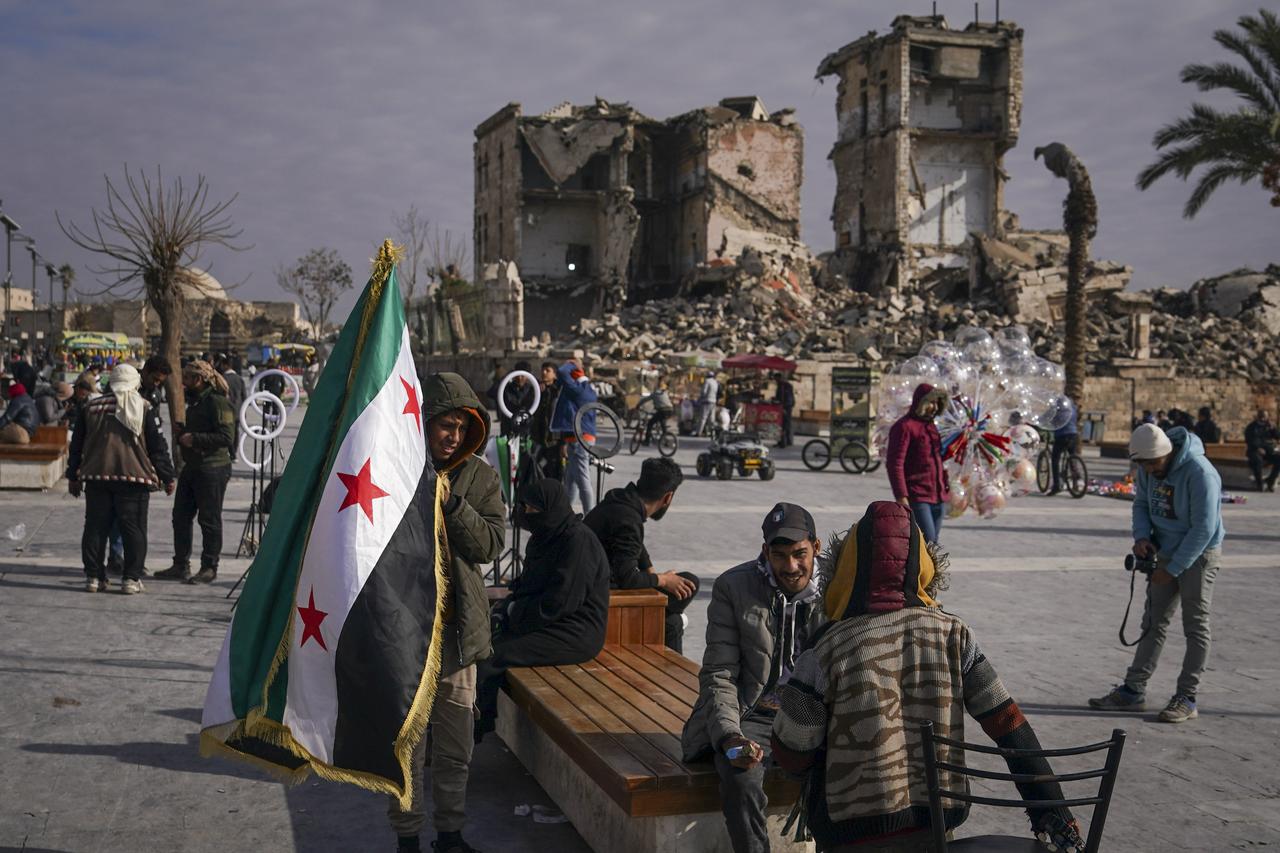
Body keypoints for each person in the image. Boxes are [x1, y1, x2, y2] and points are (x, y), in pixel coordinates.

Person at [770, 501, 1084, 853]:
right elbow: (1008, 724)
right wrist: (1053, 810)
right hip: (934, 828)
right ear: (924, 566)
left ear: (846, 567)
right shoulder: (954, 636)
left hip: (851, 833)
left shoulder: (828, 647)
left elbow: (793, 749)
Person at [388, 371, 505, 853]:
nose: (453, 436)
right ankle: (407, 837)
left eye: (462, 427)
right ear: (425, 423)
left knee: (456, 745)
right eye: (445, 425)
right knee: (407, 747)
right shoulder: (392, 469)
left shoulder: (480, 476)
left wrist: (451, 504)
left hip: (457, 635)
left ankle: (450, 834)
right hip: (404, 633)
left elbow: (490, 545)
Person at [680, 503, 826, 853]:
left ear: (816, 547)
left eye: (800, 554)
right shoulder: (734, 587)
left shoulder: (838, 588)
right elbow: (719, 673)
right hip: (753, 713)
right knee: (739, 775)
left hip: (817, 715)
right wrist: (730, 734)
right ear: (765, 552)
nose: (790, 567)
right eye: (779, 556)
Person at [1089, 423, 1226, 724]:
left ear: (1167, 452)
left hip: (1198, 555)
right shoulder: (1147, 469)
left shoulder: (1200, 473)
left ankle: (1187, 697)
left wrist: (1174, 568)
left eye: (1154, 463)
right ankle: (1133, 690)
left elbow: (1204, 529)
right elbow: (1141, 504)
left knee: (1195, 626)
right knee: (1152, 623)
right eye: (1144, 465)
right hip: (1163, 551)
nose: (1150, 470)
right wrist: (1141, 537)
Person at [474, 478, 610, 738]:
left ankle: (477, 729)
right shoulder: (546, 537)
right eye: (525, 508)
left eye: (533, 509)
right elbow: (529, 584)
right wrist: (507, 607)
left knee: (493, 655)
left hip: (575, 632)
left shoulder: (578, 543)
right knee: (480, 641)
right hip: (545, 621)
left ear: (551, 508)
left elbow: (559, 602)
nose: (527, 514)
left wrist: (514, 613)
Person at [67, 364, 176, 594]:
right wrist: (167, 476)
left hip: (97, 476)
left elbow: (76, 445)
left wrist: (73, 474)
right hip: (134, 479)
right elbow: (157, 447)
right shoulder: (144, 407)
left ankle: (94, 577)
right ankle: (131, 578)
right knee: (134, 529)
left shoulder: (91, 407)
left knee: (95, 528)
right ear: (135, 383)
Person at [584, 457, 698, 653]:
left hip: (593, 586)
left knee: (672, 620)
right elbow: (627, 578)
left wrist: (651, 571)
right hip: (600, 596)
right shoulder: (629, 520)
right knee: (686, 591)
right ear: (668, 497)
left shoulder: (619, 501)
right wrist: (663, 580)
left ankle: (661, 627)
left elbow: (635, 545)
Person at [154, 361, 235, 585]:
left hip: (212, 468)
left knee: (209, 519)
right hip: (193, 467)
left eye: (188, 379)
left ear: (199, 380)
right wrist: (184, 432)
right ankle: (180, 564)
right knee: (180, 516)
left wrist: (194, 438)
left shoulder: (217, 402)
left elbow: (226, 437)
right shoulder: (197, 402)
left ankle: (209, 567)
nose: (184, 383)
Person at [885, 383, 950, 544]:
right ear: (920, 402)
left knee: (932, 544)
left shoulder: (932, 427)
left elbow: (936, 459)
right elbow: (895, 464)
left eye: (937, 403)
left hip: (938, 496)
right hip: (917, 496)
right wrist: (901, 496)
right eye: (931, 402)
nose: (934, 407)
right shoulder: (904, 427)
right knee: (927, 541)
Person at [550, 361, 598, 514]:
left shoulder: (577, 389)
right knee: (570, 480)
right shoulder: (589, 390)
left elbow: (562, 372)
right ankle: (564, 513)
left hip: (580, 439)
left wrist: (572, 364)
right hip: (582, 438)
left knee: (583, 479)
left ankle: (589, 514)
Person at [529, 360, 562, 480]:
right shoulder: (536, 389)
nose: (544, 373)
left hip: (554, 440)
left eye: (548, 370)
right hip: (538, 438)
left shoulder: (559, 391)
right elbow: (528, 408)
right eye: (543, 370)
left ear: (555, 375)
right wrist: (536, 393)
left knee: (554, 471)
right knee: (537, 471)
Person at [1048, 396, 1079, 495]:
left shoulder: (1056, 407)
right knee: (1072, 457)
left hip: (1062, 436)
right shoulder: (1072, 406)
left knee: (1055, 459)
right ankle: (1076, 484)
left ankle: (1056, 485)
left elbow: (1047, 417)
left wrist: (1038, 423)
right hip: (1073, 434)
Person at [1244, 409, 1280, 491]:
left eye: (1265, 417)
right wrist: (1257, 448)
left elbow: (1277, 436)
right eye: (1261, 417)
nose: (1263, 419)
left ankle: (1270, 481)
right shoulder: (1252, 427)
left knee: (1278, 458)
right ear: (1258, 417)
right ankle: (1259, 483)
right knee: (1258, 461)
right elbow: (1249, 440)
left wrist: (1274, 429)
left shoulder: (1269, 426)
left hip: (1268, 450)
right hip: (1254, 450)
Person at [772, 372, 795, 449]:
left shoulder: (785, 386)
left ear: (779, 378)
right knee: (782, 424)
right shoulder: (781, 385)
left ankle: (785, 441)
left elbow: (788, 398)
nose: (775, 380)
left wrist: (784, 407)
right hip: (784, 407)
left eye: (776, 378)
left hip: (786, 407)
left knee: (785, 424)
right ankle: (782, 441)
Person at [697, 371, 720, 436]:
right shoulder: (715, 382)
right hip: (713, 401)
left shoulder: (707, 381)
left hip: (706, 401)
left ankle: (699, 432)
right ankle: (712, 432)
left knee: (703, 417)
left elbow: (704, 392)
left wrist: (700, 398)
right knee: (712, 418)